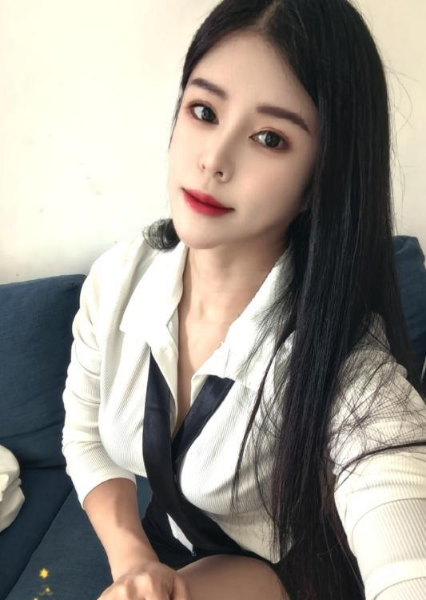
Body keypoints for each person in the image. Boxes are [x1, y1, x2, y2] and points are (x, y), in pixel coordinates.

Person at [61, 0, 426, 599]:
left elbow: (401, 525)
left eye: (269, 138)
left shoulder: (344, 362)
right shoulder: (118, 281)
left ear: (319, 180)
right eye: (204, 111)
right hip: (168, 552)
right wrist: (132, 561)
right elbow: (84, 438)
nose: (214, 158)